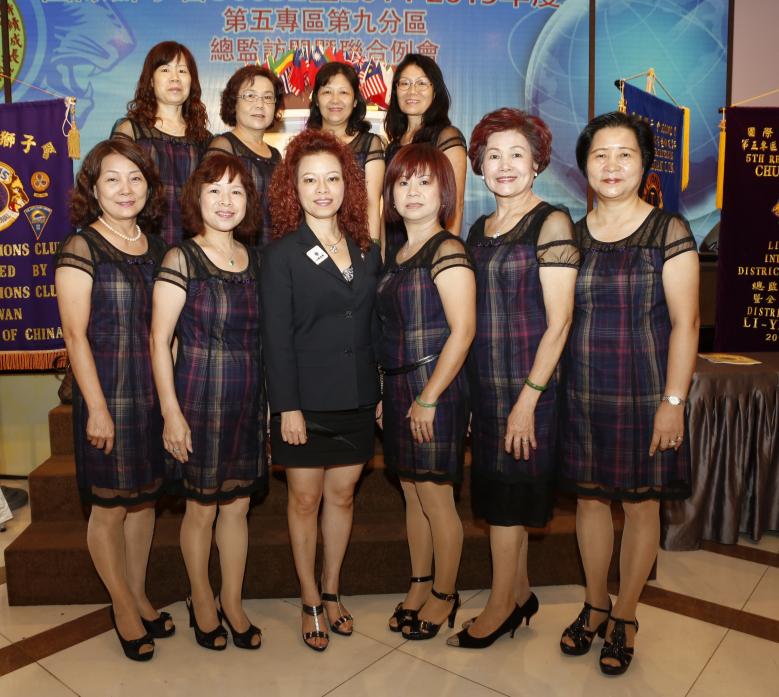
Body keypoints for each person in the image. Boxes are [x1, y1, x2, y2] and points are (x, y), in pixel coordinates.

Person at [558, 112, 699, 675]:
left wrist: (673, 402)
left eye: (625, 154)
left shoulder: (669, 231)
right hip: (582, 389)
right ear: (585, 166)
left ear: (644, 165)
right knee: (590, 501)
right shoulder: (571, 234)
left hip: (645, 390)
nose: (611, 165)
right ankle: (596, 603)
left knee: (642, 505)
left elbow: (686, 323)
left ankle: (626, 614)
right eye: (600, 155)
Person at [447, 109, 580, 649]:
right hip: (486, 385)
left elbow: (560, 322)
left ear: (537, 162)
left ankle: (500, 607)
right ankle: (520, 592)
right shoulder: (479, 229)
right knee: (504, 498)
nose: (504, 165)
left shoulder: (552, 223)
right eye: (493, 155)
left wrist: (528, 400)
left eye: (517, 154)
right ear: (479, 165)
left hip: (530, 387)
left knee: (507, 506)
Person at [261, 129, 381, 652]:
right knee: (305, 498)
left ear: (348, 185)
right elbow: (276, 337)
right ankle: (308, 596)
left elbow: (374, 323)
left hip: (357, 396)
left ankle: (332, 588)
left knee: (344, 494)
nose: (322, 189)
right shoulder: (282, 254)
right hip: (304, 401)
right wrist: (286, 406)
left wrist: (379, 390)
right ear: (293, 188)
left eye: (332, 178)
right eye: (310, 180)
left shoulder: (367, 248)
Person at [55, 138, 170, 661]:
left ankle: (140, 595)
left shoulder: (158, 247)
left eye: (135, 178)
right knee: (108, 507)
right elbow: (75, 336)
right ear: (94, 188)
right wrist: (97, 409)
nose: (126, 189)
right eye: (112, 179)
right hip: (107, 392)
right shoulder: (82, 247)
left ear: (149, 187)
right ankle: (122, 607)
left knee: (144, 500)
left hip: (151, 391)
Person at [150, 153, 267, 652]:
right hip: (198, 398)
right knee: (201, 510)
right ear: (196, 198)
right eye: (214, 190)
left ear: (248, 202)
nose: (226, 200)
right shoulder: (181, 259)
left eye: (236, 191)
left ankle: (232, 601)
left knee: (237, 507)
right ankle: (201, 598)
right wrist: (171, 413)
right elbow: (159, 341)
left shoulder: (255, 259)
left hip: (247, 399)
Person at [377, 143, 476, 641]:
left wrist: (430, 396)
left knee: (437, 498)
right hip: (398, 388)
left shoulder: (447, 249)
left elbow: (463, 330)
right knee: (412, 494)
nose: (412, 191)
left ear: (444, 193)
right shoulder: (396, 255)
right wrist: (384, 390)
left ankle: (444, 593)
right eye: (403, 182)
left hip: (435, 388)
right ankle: (419, 584)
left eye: (424, 182)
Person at [112, 41, 210, 246]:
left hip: (192, 249)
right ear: (150, 80)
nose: (175, 77)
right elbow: (114, 189)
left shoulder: (205, 140)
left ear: (192, 81)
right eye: (165, 69)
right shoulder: (131, 131)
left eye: (182, 71)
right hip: (141, 245)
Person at [382, 54, 467, 261]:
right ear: (395, 90)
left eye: (421, 83)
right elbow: (386, 207)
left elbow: (456, 203)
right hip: (396, 250)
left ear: (435, 91)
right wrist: (383, 256)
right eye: (405, 83)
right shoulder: (392, 147)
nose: (412, 91)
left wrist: (446, 255)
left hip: (431, 252)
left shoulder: (446, 137)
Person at [306, 61, 385, 243]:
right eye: (327, 92)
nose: (335, 100)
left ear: (355, 100)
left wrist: (372, 247)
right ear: (316, 99)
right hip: (312, 241)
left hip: (356, 241)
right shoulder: (304, 145)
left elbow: (372, 203)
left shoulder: (369, 144)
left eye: (343, 92)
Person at [207, 65, 283, 248]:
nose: (260, 104)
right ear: (234, 102)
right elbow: (210, 205)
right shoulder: (224, 146)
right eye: (250, 96)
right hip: (236, 252)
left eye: (267, 97)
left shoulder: (276, 155)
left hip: (272, 251)